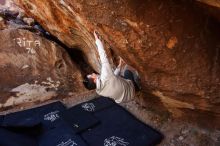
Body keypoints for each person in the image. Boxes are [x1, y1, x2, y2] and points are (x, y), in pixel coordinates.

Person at [83, 31, 139, 103]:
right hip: (131, 90)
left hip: (124, 99)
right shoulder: (105, 76)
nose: (93, 73)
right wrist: (97, 40)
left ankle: (135, 89)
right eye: (92, 75)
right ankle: (138, 87)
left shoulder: (99, 91)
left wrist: (119, 66)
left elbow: (112, 79)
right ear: (94, 80)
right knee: (127, 72)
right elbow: (103, 56)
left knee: (119, 76)